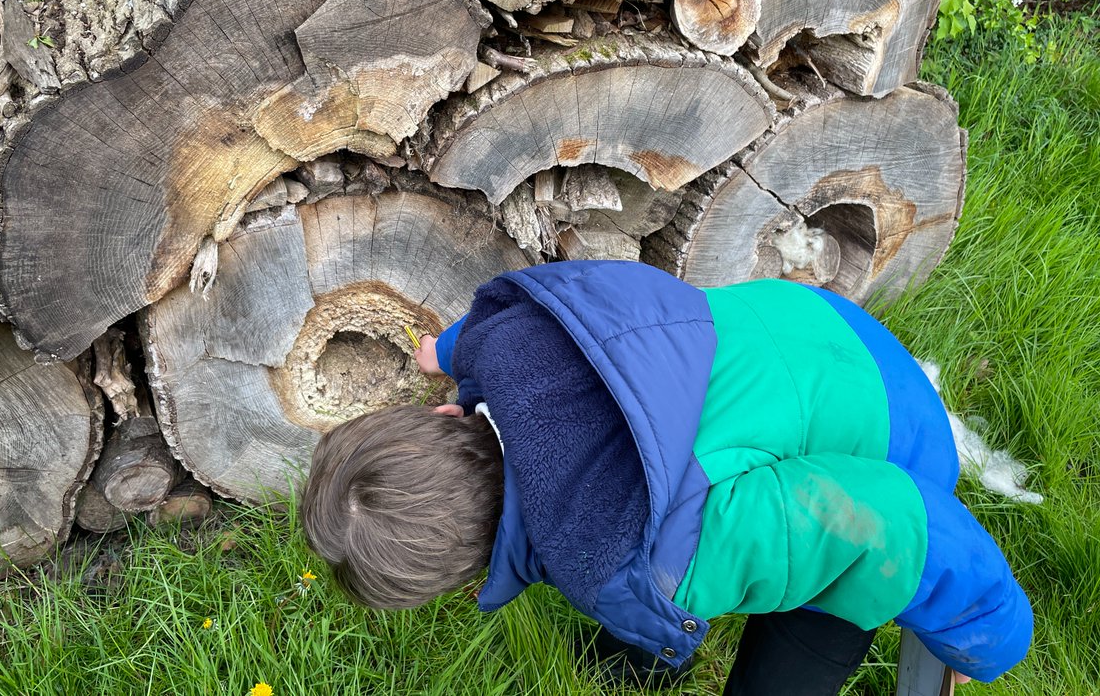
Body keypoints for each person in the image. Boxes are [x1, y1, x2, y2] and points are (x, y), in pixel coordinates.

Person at [302, 260, 1033, 694]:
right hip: (798, 327)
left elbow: (883, 523)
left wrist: (985, 634)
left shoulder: (666, 559)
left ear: (467, 576)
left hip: (887, 429)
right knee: (619, 568)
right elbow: (523, 327)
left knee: (783, 648)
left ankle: (662, 654)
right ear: (445, 418)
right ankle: (640, 656)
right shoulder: (506, 339)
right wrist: (452, 348)